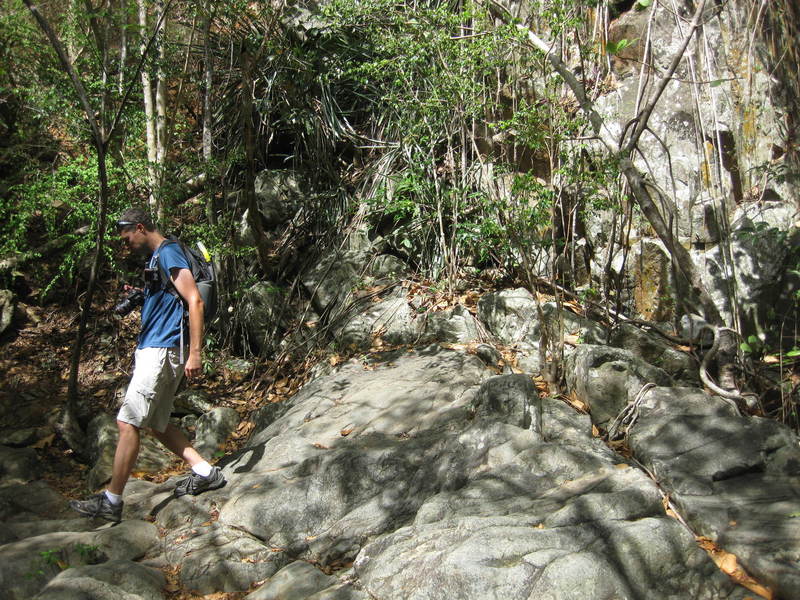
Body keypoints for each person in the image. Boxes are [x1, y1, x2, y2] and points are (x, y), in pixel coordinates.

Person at [70, 207, 226, 523]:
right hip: (158, 347)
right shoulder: (160, 257)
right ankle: (205, 472)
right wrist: (142, 295)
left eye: (126, 237)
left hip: (162, 349)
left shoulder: (168, 252)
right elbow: (170, 296)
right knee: (158, 423)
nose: (125, 243)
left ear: (140, 227)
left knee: (128, 423)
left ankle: (112, 501)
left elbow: (194, 300)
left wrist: (196, 353)